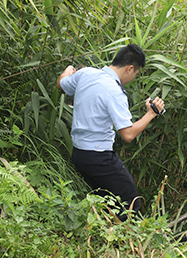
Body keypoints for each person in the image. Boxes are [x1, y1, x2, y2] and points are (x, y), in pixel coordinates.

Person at [56, 44, 164, 217]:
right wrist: (151, 113)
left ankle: (107, 237)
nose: (133, 78)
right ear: (130, 68)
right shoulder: (114, 91)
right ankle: (128, 241)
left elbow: (61, 84)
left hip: (79, 154)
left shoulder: (85, 73)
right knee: (130, 202)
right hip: (99, 157)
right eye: (135, 73)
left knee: (107, 202)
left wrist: (69, 70)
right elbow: (128, 134)